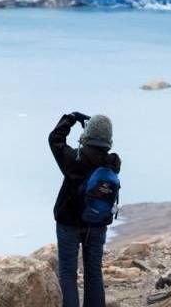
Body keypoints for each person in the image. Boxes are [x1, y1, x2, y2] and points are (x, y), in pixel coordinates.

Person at [49, 112, 121, 307]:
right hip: (97, 224)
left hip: (69, 224)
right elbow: (98, 147)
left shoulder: (73, 160)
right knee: (93, 273)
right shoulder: (113, 163)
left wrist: (71, 118)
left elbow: (55, 138)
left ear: (86, 137)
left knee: (68, 274)